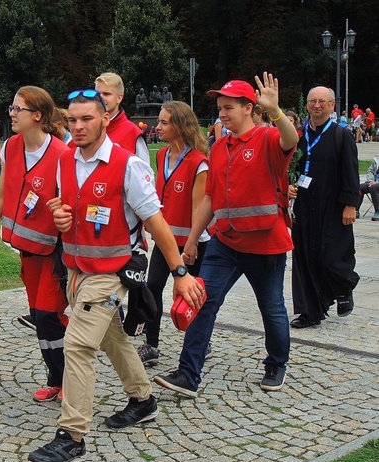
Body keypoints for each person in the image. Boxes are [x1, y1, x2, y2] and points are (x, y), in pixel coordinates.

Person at [27, 89, 203, 462]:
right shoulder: (66, 161)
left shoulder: (128, 165)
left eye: (86, 119)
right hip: (76, 271)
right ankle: (143, 400)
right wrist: (62, 218)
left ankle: (71, 436)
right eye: (72, 120)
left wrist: (181, 273)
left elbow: (156, 222)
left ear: (105, 118)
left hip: (110, 274)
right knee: (113, 338)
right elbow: (71, 211)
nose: (77, 126)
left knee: (77, 345)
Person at [154, 73, 299, 398]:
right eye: (219, 107)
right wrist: (192, 241)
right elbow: (209, 199)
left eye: (228, 107)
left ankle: (276, 363)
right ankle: (188, 375)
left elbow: (291, 140)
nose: (221, 113)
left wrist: (275, 112)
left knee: (271, 306)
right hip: (225, 242)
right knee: (202, 301)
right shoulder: (218, 147)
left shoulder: (266, 138)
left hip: (265, 243)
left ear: (249, 108)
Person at [0, 86, 69, 402]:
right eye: (11, 108)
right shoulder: (11, 147)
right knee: (40, 317)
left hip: (54, 253)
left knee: (50, 316)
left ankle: (68, 381)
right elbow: (1, 197)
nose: (11, 114)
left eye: (17, 109)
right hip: (27, 251)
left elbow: (69, 207)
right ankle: (57, 378)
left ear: (37, 116)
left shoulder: (62, 155)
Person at [137, 101, 210, 366]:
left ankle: (200, 341)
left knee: (192, 294)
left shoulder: (199, 162)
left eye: (164, 122)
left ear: (179, 125)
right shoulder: (161, 155)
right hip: (166, 239)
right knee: (153, 286)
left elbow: (197, 206)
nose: (158, 126)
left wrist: (192, 243)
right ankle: (152, 345)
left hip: (192, 242)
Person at [289, 86, 360, 329]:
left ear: (332, 105)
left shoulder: (341, 135)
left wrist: (350, 204)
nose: (316, 105)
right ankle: (309, 311)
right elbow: (291, 168)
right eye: (312, 101)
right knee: (305, 258)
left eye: (322, 101)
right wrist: (288, 187)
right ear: (307, 105)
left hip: (333, 206)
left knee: (332, 257)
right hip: (305, 206)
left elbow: (351, 173)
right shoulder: (298, 135)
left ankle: (344, 288)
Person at [93, 72, 150, 163]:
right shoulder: (86, 128)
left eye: (106, 94)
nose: (101, 98)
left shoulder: (133, 133)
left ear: (119, 98)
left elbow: (143, 172)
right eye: (98, 94)